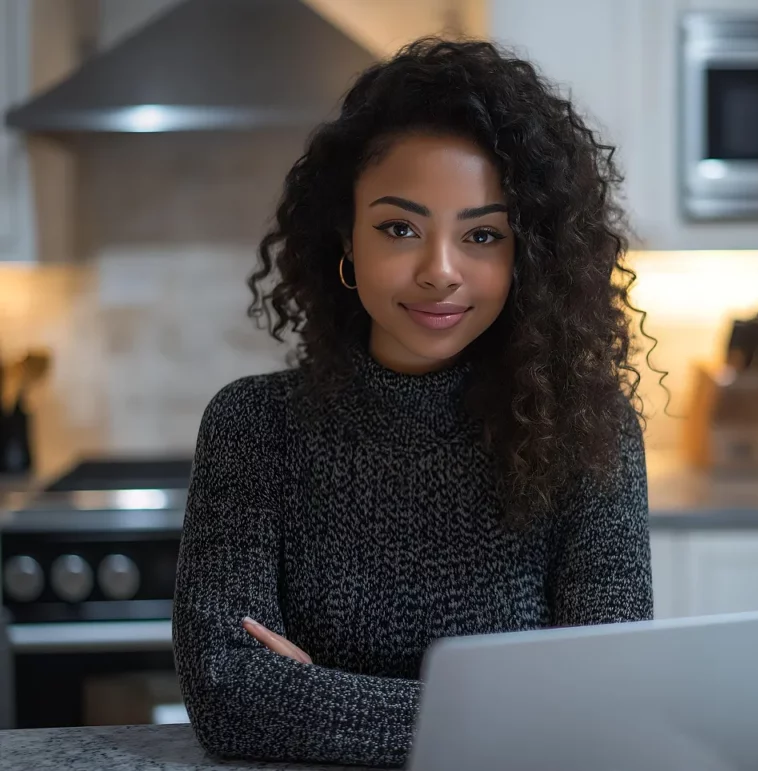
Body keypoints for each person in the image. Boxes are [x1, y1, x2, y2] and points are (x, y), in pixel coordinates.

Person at [172, 37, 659, 768]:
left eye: (483, 235)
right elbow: (228, 697)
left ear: (527, 256)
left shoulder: (589, 433)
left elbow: (602, 703)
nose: (440, 271)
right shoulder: (254, 426)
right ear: (347, 239)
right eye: (400, 228)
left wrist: (314, 699)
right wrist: (507, 717)